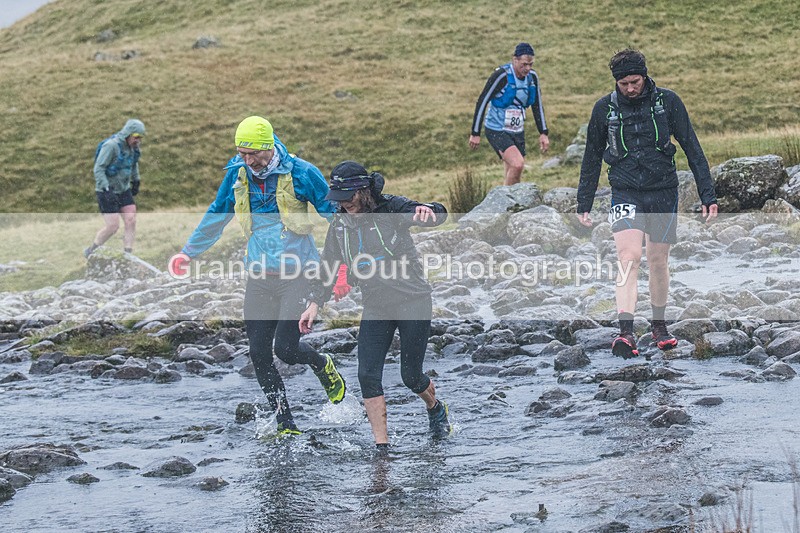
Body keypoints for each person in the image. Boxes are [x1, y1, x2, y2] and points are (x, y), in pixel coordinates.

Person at [168, 116, 346, 436]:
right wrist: (188, 252)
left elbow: (337, 219)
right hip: (260, 276)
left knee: (286, 349)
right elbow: (218, 213)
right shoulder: (238, 174)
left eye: (253, 154)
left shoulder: (302, 173)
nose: (248, 161)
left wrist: (344, 267)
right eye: (242, 154)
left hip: (298, 273)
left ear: (269, 146)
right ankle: (285, 423)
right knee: (259, 353)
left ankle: (322, 364)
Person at [299, 161, 451, 451]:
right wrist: (315, 303)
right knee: (367, 375)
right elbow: (329, 265)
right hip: (376, 306)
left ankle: (435, 408)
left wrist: (430, 210)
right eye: (339, 198)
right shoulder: (339, 225)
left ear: (364, 191)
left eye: (349, 197)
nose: (344, 204)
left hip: (413, 301)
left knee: (411, 377)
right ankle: (382, 448)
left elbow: (438, 214)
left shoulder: (391, 208)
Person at [576, 48, 718, 358]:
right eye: (624, 84)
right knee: (628, 257)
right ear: (616, 81)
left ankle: (659, 326)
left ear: (645, 76)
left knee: (657, 260)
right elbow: (591, 157)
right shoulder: (604, 109)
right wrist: (583, 201)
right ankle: (626, 333)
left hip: (663, 190)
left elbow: (692, 147)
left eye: (635, 82)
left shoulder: (668, 102)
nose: (630, 88)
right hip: (624, 191)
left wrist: (708, 195)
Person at [469, 42, 550, 185]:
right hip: (497, 129)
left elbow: (537, 104)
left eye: (530, 64)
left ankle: (507, 196)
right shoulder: (502, 76)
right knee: (517, 164)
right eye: (524, 64)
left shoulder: (532, 78)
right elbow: (482, 100)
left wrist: (543, 132)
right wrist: (475, 133)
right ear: (515, 59)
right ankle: (510, 198)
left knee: (512, 170)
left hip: (517, 130)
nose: (527, 68)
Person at [85, 119, 146, 257]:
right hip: (106, 191)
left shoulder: (133, 148)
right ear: (128, 134)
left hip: (123, 190)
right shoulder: (111, 146)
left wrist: (136, 180)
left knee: (131, 220)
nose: (138, 140)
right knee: (113, 227)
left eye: (140, 137)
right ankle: (91, 250)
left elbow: (133, 164)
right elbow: (98, 169)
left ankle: (128, 254)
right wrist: (106, 189)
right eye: (136, 137)